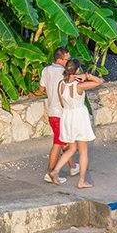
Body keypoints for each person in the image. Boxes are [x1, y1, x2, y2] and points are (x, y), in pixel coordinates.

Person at [47, 60, 103, 189]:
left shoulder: (61, 84)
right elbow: (99, 82)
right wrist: (87, 75)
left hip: (67, 116)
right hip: (79, 116)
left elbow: (61, 103)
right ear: (77, 70)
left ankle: (55, 171)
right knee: (83, 151)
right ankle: (81, 181)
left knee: (71, 148)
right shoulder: (79, 85)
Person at [39, 48, 78, 184]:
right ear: (59, 59)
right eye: (67, 59)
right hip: (61, 112)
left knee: (63, 141)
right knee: (58, 142)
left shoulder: (46, 70)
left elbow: (41, 89)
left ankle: (73, 167)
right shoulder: (64, 73)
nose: (69, 62)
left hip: (52, 111)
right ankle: (50, 172)